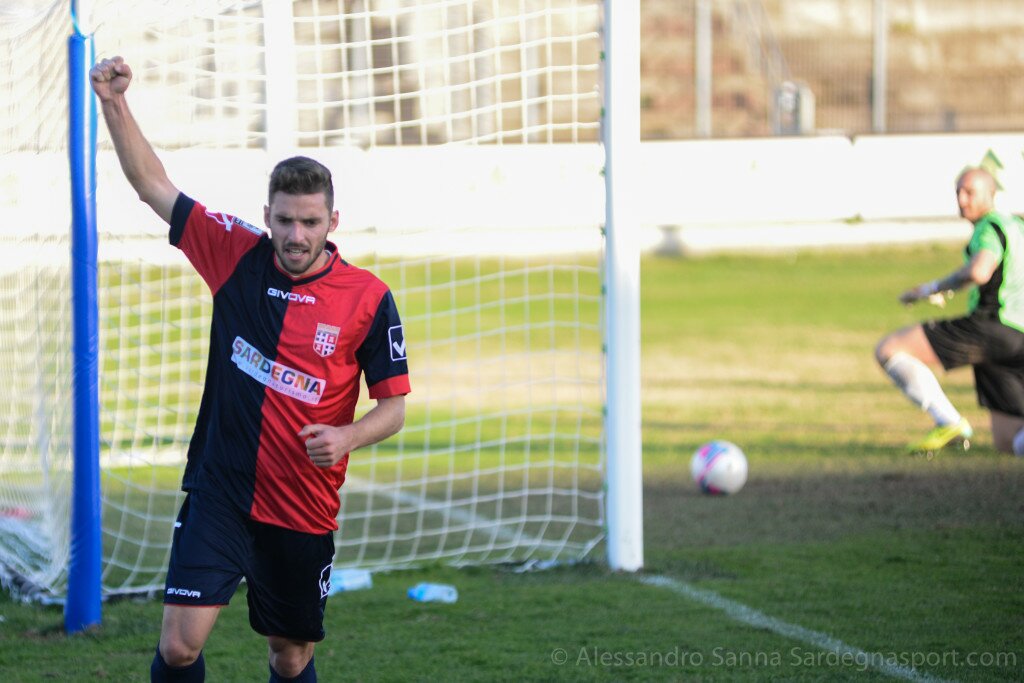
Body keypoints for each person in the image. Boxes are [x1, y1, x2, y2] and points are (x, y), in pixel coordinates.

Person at [90, 56, 410, 682]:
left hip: (302, 504)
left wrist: (347, 436)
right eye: (285, 220)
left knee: (289, 655)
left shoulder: (368, 298)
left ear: (332, 223)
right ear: (266, 216)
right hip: (221, 490)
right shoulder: (236, 253)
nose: (296, 234)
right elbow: (154, 186)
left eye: (310, 222)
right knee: (180, 647)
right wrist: (113, 102)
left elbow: (395, 406)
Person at [875, 166, 1024, 455]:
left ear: (991, 194)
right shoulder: (1017, 226)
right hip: (1018, 336)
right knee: (1009, 440)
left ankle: (948, 422)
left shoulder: (989, 227)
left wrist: (935, 287)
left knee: (890, 349)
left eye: (970, 192)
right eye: (958, 192)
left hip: (992, 325)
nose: (962, 199)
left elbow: (980, 270)